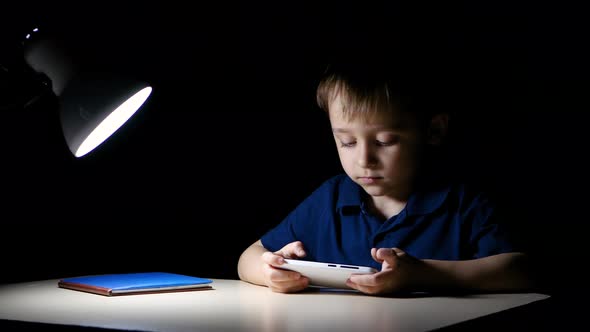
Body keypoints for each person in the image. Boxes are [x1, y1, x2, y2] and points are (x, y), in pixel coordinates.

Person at [237, 58, 535, 295]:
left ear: (433, 131)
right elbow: (248, 257)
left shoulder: (462, 202)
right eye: (347, 142)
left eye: (384, 141)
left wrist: (425, 275)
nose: (364, 160)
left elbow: (522, 270)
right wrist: (270, 272)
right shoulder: (331, 198)